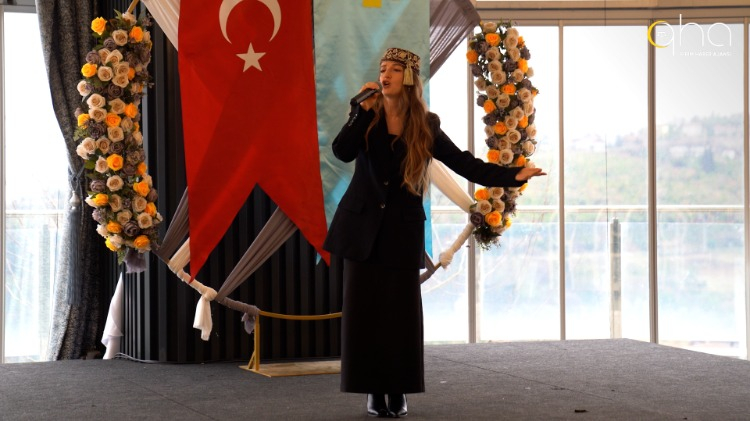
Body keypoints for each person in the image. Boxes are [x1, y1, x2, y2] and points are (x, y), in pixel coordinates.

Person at [323, 47, 546, 418]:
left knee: (400, 317)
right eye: (382, 69)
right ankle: (373, 390)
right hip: (361, 230)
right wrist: (358, 111)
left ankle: (398, 388)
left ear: (409, 77)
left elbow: (464, 164)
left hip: (401, 231)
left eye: (394, 70)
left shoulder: (426, 124)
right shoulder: (368, 116)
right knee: (364, 315)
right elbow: (341, 151)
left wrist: (513, 175)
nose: (385, 75)